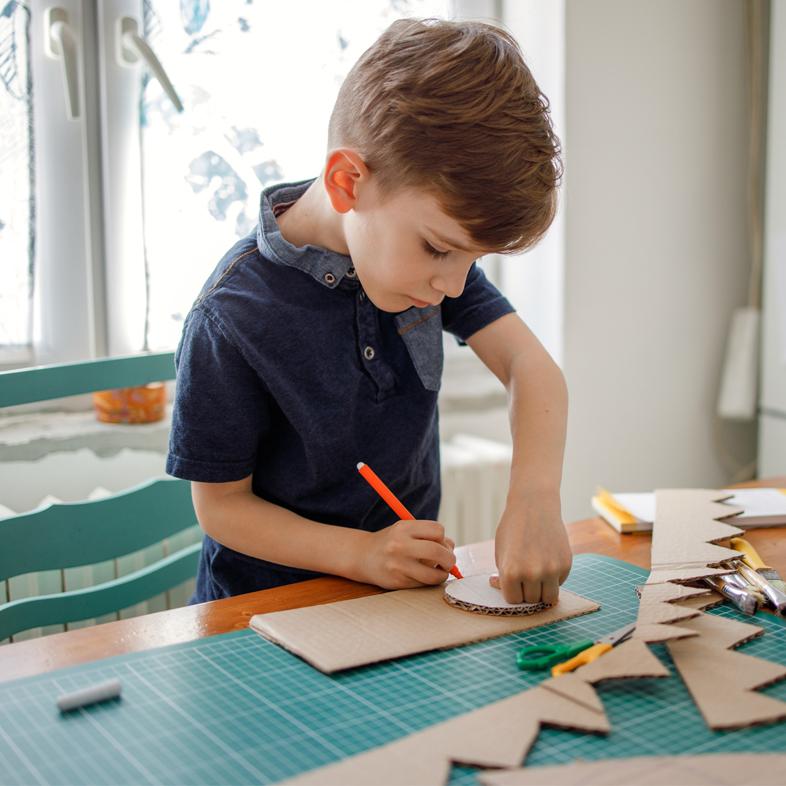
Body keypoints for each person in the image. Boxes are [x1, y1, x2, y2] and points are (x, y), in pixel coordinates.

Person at [166, 17, 572, 607]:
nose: (451, 285)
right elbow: (222, 509)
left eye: (471, 259)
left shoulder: (418, 265)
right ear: (347, 182)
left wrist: (535, 496)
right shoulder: (231, 315)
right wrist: (360, 554)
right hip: (263, 618)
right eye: (438, 249)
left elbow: (530, 366)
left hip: (394, 603)